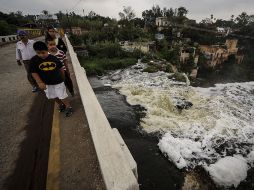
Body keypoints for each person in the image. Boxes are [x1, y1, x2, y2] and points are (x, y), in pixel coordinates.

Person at [30, 41, 73, 117]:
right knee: (53, 95)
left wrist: (63, 77)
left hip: (58, 81)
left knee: (62, 95)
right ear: (35, 52)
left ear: (47, 50)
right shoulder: (34, 60)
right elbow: (34, 72)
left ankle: (68, 106)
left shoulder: (53, 58)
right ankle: (61, 105)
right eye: (38, 53)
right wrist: (39, 82)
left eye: (43, 52)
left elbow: (61, 68)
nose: (41, 55)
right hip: (46, 83)